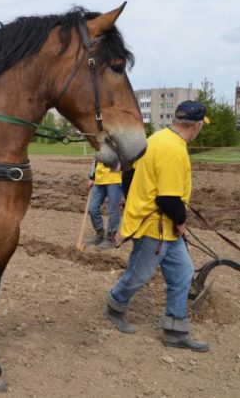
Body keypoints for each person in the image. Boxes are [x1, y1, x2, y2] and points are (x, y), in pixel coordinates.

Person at [105, 100, 210, 352]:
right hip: (156, 227)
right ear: (195, 126)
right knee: (138, 275)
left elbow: (129, 172)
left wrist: (131, 198)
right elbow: (168, 199)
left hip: (164, 226)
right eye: (201, 126)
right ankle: (114, 305)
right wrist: (182, 222)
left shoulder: (157, 138)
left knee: (183, 274)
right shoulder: (173, 150)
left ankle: (175, 330)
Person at [86, 159, 123, 250]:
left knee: (113, 210)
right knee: (92, 208)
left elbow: (128, 156)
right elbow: (96, 159)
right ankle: (100, 234)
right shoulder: (100, 145)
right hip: (99, 180)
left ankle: (110, 238)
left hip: (115, 179)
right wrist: (91, 177)